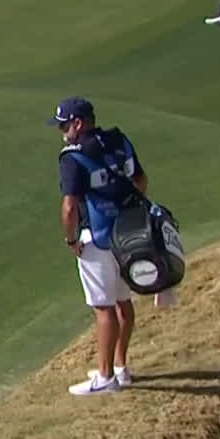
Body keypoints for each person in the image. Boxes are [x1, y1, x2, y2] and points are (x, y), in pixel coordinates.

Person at [53, 97, 149, 397]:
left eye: (64, 125)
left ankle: (106, 377)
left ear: (78, 123)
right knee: (123, 302)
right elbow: (141, 181)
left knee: (103, 309)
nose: (62, 132)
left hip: (95, 240)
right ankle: (120, 367)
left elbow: (69, 207)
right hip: (127, 236)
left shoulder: (72, 157)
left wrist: (70, 240)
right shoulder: (118, 140)